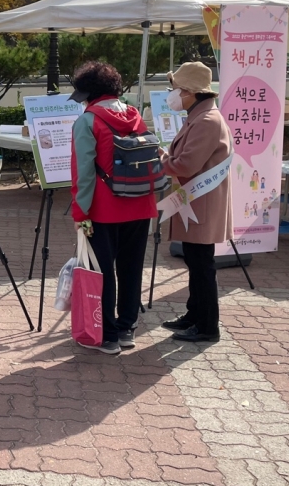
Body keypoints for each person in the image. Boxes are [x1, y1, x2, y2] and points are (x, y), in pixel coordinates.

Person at [69, 61, 157, 355]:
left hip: (103, 209)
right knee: (131, 269)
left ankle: (107, 336)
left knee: (101, 272)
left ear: (90, 93)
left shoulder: (87, 121)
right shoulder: (135, 115)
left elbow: (83, 173)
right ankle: (127, 328)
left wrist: (80, 215)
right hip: (141, 202)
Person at [159, 62, 234, 343]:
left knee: (202, 265)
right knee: (195, 260)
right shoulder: (199, 115)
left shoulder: (206, 120)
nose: (172, 94)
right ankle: (194, 314)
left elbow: (186, 164)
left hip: (202, 203)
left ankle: (207, 326)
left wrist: (162, 159)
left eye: (175, 89)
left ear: (190, 92)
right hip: (196, 201)